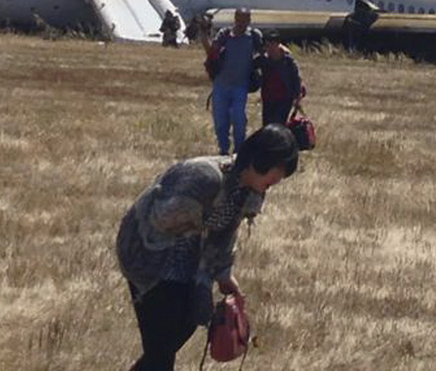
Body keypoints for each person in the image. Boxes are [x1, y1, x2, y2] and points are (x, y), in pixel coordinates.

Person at [116, 124, 299, 371]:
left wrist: (223, 275)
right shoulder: (205, 177)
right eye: (278, 171)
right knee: (162, 343)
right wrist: (202, 232)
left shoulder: (250, 193)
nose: (278, 180)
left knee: (186, 322)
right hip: (148, 251)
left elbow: (224, 235)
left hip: (186, 256)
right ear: (260, 161)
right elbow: (161, 218)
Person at [208, 8, 263, 154]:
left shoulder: (254, 36)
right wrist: (204, 37)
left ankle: (239, 151)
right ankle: (223, 149)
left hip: (241, 85)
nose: (241, 23)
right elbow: (212, 53)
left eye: (245, 20)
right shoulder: (224, 35)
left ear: (249, 20)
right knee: (221, 121)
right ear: (234, 19)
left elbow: (264, 53)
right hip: (221, 84)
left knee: (238, 119)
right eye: (239, 19)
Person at [256, 30, 303, 126]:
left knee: (278, 125)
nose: (270, 48)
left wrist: (297, 98)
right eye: (267, 45)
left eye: (272, 44)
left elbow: (296, 79)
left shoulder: (288, 61)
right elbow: (249, 67)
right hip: (268, 98)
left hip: (284, 99)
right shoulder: (263, 60)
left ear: (278, 44)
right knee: (267, 126)